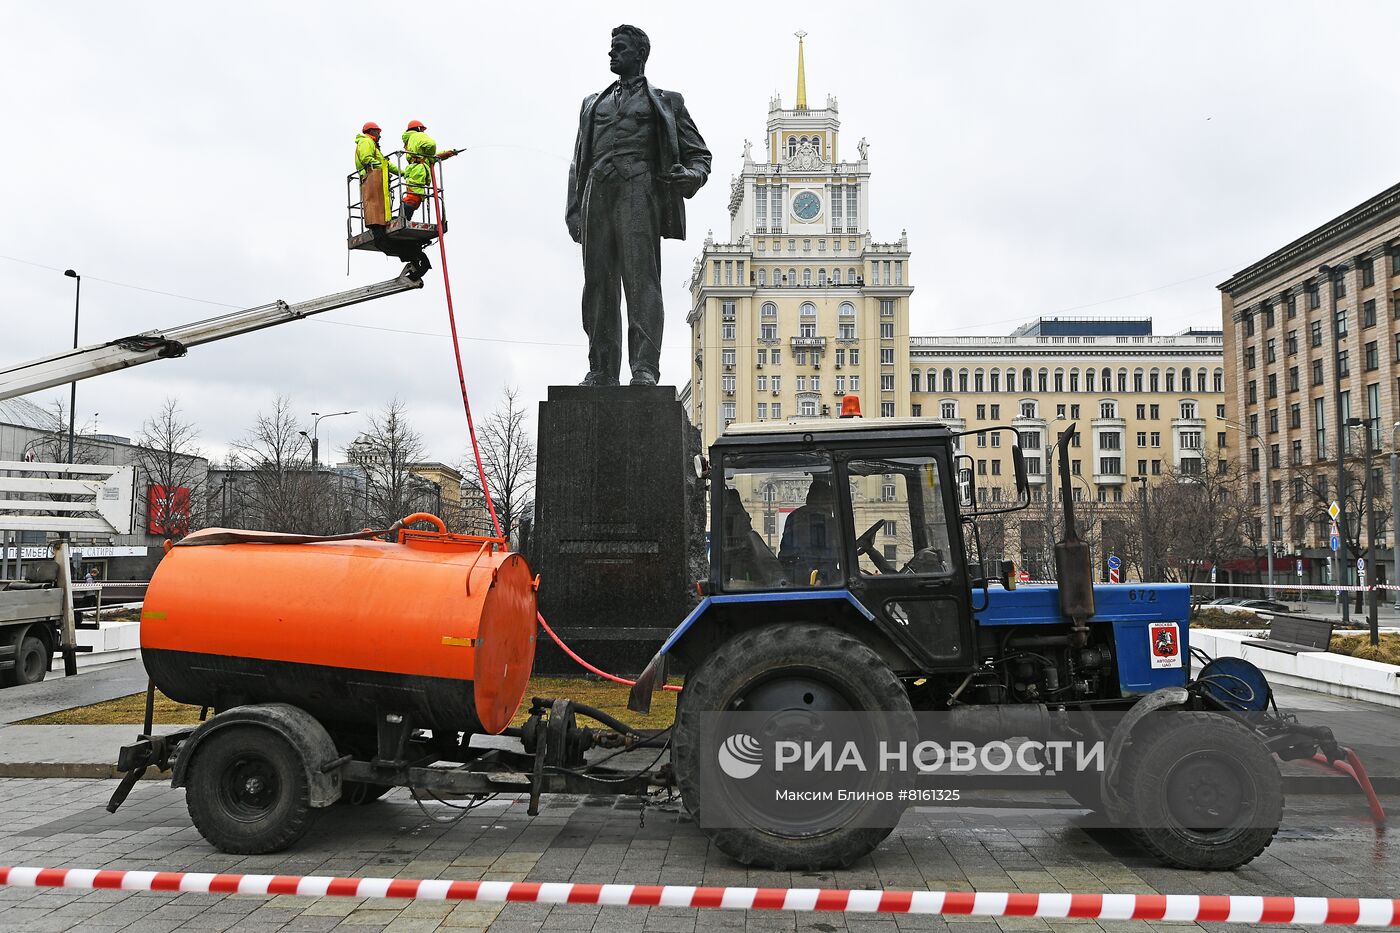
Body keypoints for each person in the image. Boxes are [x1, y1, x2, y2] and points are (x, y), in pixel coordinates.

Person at [565, 24, 711, 387]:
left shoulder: (667, 101)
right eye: (611, 47)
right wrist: (573, 210)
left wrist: (691, 176)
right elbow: (577, 161)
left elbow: (699, 154)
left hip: (638, 192)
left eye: (619, 48)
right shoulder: (590, 104)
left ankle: (644, 367)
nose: (611, 54)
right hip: (596, 193)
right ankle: (600, 368)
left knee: (641, 281)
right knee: (597, 282)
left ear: (639, 54)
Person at [354, 121, 429, 278]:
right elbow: (368, 159)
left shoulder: (374, 146)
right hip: (372, 184)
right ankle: (416, 258)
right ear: (372, 131)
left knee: (382, 235)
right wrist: (379, 167)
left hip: (377, 186)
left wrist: (402, 173)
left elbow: (385, 164)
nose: (380, 135)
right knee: (380, 236)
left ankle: (415, 258)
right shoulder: (366, 142)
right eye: (378, 132)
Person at [779, 478, 841, 584]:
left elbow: (784, 549)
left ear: (808, 498)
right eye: (829, 500)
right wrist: (821, 578)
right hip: (818, 579)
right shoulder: (827, 521)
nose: (831, 505)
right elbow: (831, 555)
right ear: (824, 500)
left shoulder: (794, 516)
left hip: (792, 576)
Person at [399, 121, 459, 222]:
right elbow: (431, 145)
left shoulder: (411, 139)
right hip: (418, 171)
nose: (423, 131)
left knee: (415, 197)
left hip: (415, 169)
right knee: (413, 198)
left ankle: (404, 218)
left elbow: (429, 157)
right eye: (422, 129)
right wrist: (430, 156)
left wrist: (448, 154)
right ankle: (403, 218)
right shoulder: (418, 135)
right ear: (417, 128)